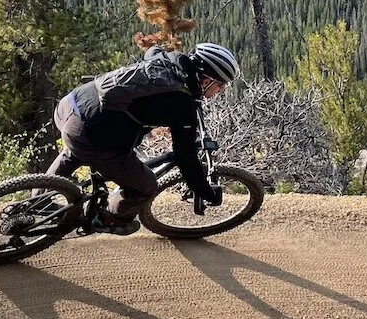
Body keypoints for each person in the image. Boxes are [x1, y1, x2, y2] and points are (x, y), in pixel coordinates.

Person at [48, 42, 241, 235]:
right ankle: (109, 220)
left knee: (75, 149)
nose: (220, 91)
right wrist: (205, 191)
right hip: (86, 132)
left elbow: (151, 50)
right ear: (205, 80)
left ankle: (39, 196)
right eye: (220, 85)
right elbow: (186, 156)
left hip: (70, 105)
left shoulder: (169, 59)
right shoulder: (182, 105)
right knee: (145, 185)